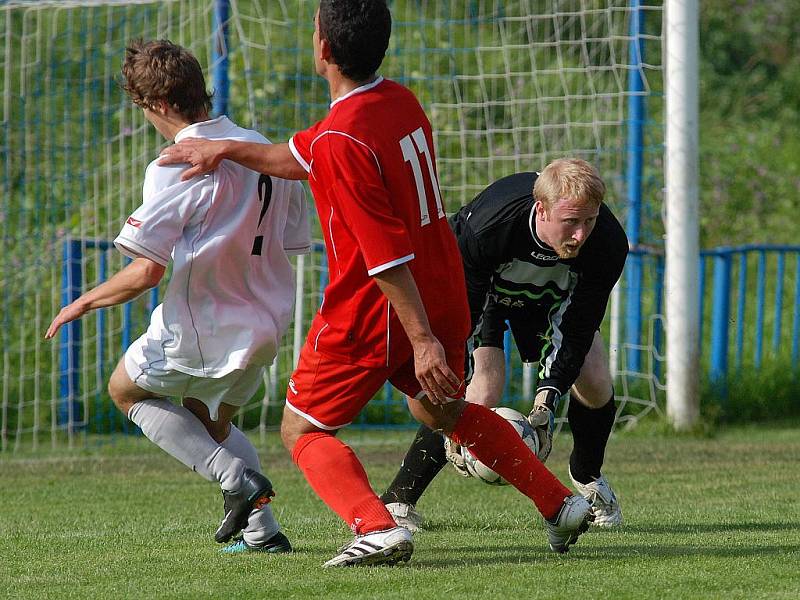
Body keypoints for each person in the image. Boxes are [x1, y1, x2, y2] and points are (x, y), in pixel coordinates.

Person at [158, 0, 593, 568]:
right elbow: (301, 154)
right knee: (446, 413)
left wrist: (422, 341)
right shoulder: (396, 103)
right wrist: (224, 148)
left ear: (323, 49)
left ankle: (378, 527)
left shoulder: (344, 137)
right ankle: (560, 504)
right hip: (442, 289)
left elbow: (384, 257)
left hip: (381, 307)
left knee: (303, 429)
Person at [45, 39, 311, 554]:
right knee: (211, 422)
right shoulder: (263, 149)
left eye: (142, 107)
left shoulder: (171, 165)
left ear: (160, 106)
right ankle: (263, 533)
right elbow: (292, 242)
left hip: (202, 322)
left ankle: (236, 482)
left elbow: (146, 270)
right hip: (265, 324)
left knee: (126, 390)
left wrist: (84, 301)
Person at [380, 159, 628, 533]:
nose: (580, 234)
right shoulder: (489, 227)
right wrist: (452, 421)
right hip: (487, 295)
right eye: (571, 222)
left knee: (593, 378)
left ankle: (589, 478)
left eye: (588, 221)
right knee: (480, 391)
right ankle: (399, 500)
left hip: (555, 300)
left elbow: (578, 326)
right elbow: (464, 318)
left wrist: (546, 402)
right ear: (540, 208)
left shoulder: (607, 243)